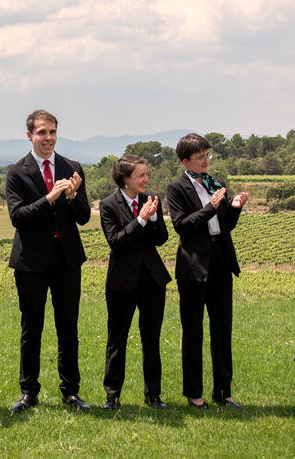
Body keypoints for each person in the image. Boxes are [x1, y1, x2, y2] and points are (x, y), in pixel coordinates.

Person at [5, 110, 92, 412]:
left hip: (67, 259)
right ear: (29, 135)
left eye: (52, 132)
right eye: (42, 132)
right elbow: (18, 218)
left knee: (68, 328)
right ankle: (29, 392)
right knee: (32, 328)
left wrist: (72, 196)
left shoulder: (72, 167)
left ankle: (71, 391)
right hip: (31, 262)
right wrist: (49, 198)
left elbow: (83, 217)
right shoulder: (17, 172)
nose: (48, 138)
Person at [166, 133, 249, 410]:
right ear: (186, 161)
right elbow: (182, 225)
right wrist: (209, 207)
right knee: (193, 330)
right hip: (193, 265)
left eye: (208, 155)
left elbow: (225, 224)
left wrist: (234, 208)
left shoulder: (217, 184)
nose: (206, 161)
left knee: (222, 328)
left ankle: (223, 392)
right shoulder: (176, 188)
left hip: (220, 261)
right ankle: (193, 392)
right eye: (201, 157)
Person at [99, 156, 171, 410]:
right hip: (121, 282)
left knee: (151, 338)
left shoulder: (152, 200)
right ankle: (112, 395)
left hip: (152, 279)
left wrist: (151, 219)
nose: (146, 179)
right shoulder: (108, 205)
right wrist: (140, 220)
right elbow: (116, 241)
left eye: (146, 174)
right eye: (141, 175)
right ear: (125, 179)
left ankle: (153, 394)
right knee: (116, 339)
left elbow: (161, 238)